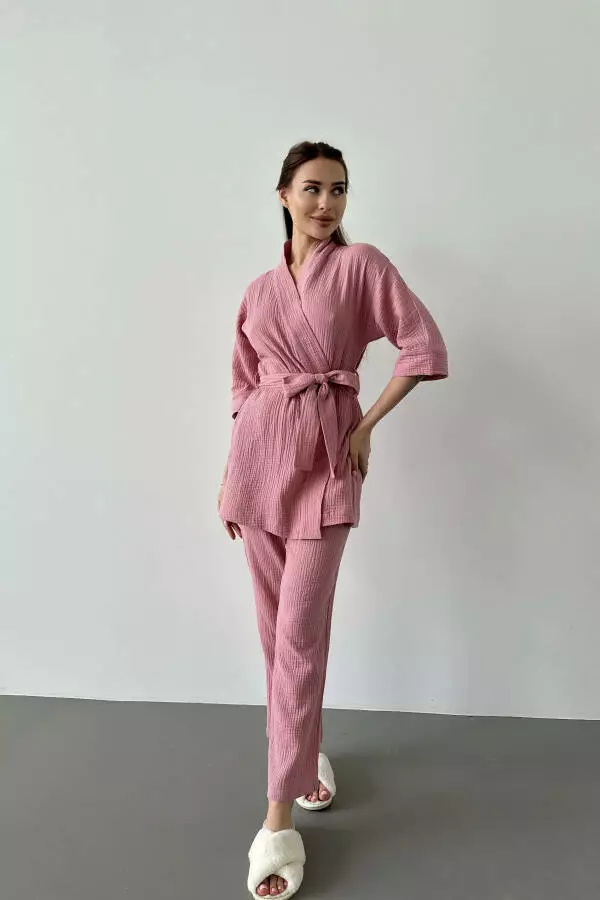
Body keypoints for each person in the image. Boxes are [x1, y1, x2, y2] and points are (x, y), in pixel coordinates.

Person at [218, 140, 448, 899]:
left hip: (324, 465)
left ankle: (277, 821)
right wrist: (230, 477)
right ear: (283, 194)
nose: (327, 203)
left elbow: (420, 345)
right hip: (257, 471)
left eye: (339, 190)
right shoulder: (258, 291)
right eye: (313, 188)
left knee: (299, 635)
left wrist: (366, 423)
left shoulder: (361, 266)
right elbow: (243, 389)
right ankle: (304, 752)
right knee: (273, 632)